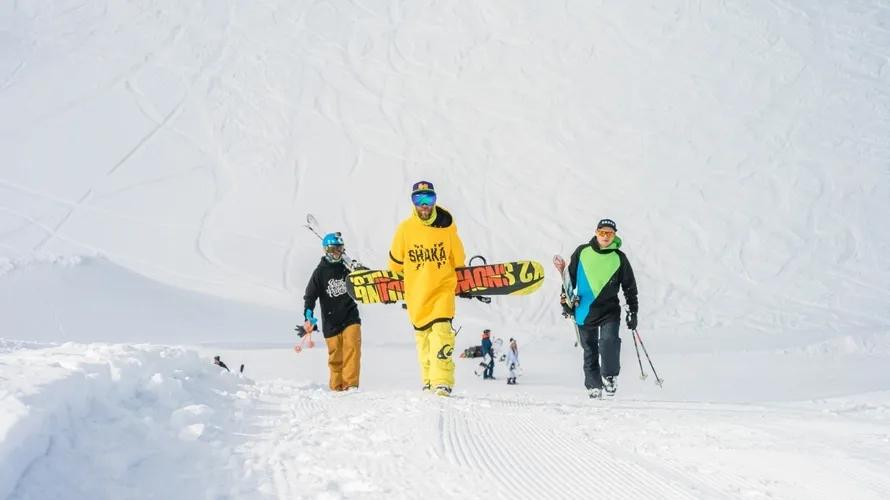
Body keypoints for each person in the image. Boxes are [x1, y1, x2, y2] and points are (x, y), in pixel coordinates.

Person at [389, 180, 466, 396]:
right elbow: (395, 264)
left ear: (435, 201)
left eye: (429, 199)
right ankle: (428, 380)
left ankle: (442, 381)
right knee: (423, 340)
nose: (424, 204)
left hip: (442, 291)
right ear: (413, 202)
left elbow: (458, 258)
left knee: (441, 334)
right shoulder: (405, 229)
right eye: (419, 199)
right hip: (417, 295)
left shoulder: (447, 226)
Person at [561, 218, 638, 399]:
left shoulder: (620, 258)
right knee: (590, 350)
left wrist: (632, 311)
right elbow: (568, 279)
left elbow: (629, 287)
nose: (605, 236)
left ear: (614, 236)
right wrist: (566, 303)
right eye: (602, 232)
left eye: (609, 233)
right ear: (596, 232)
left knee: (609, 342)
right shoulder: (582, 252)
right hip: (584, 309)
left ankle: (610, 377)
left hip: (610, 310)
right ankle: (593, 386)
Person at [303, 232, 363, 391]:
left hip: (350, 316)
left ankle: (351, 386)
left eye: (340, 249)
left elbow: (365, 281)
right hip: (331, 321)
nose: (337, 253)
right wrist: (308, 314)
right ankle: (337, 389)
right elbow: (310, 295)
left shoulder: (347, 266)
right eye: (333, 249)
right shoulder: (320, 272)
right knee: (336, 359)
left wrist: (359, 269)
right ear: (326, 250)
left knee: (352, 349)